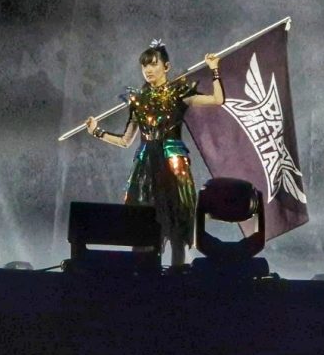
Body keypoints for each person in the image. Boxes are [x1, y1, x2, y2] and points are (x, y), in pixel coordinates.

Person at [85, 41, 224, 267]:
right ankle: (144, 275)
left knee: (177, 225)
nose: (148, 70)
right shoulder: (139, 100)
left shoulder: (179, 93)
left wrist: (214, 69)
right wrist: (97, 132)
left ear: (166, 67)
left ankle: (178, 275)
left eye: (153, 64)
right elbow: (125, 140)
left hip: (172, 167)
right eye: (144, 66)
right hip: (146, 170)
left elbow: (217, 99)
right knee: (144, 226)